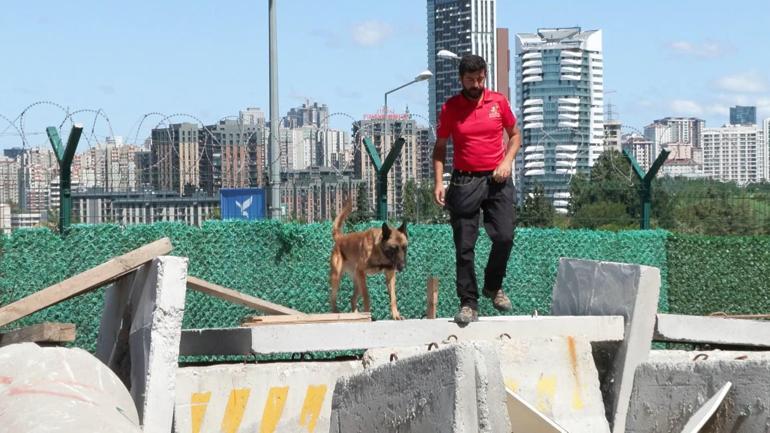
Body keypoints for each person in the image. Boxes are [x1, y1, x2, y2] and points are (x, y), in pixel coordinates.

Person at [432, 54, 521, 324]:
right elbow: (440, 148)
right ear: (461, 79)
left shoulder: (498, 102)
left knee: (505, 236)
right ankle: (468, 303)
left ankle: (493, 287)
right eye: (470, 79)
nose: (475, 84)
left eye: (480, 79)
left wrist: (507, 161)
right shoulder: (450, 108)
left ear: (485, 76)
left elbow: (515, 135)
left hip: (497, 179)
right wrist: (439, 181)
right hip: (465, 181)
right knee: (464, 247)